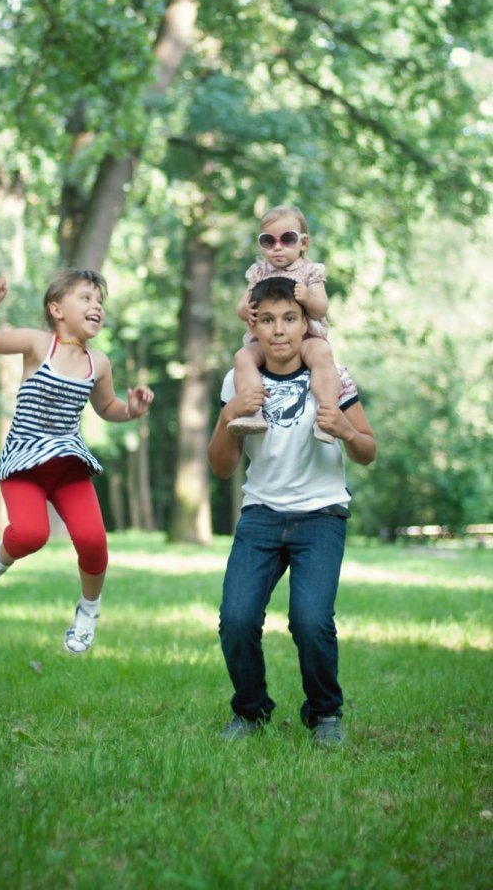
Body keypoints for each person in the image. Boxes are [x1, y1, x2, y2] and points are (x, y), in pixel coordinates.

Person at [208, 275, 376, 746]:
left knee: (310, 620)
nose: (279, 330)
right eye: (267, 320)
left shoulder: (333, 374)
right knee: (236, 619)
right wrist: (227, 416)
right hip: (261, 515)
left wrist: (345, 430)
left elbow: (367, 450)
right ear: (253, 327)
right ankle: (250, 712)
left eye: (289, 318)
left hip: (321, 516)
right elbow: (222, 467)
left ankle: (325, 715)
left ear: (306, 324)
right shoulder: (238, 380)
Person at [0, 269, 154, 654]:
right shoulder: (38, 344)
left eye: (99, 300)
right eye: (85, 297)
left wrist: (132, 410)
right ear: (56, 308)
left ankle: (88, 610)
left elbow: (107, 407)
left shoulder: (98, 362)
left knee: (94, 541)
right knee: (31, 535)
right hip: (23, 462)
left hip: (67, 464)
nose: (96, 305)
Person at [228, 204, 340, 443]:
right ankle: (252, 413)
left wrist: (308, 298)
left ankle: (327, 416)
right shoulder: (259, 272)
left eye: (287, 239)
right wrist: (245, 310)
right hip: (267, 341)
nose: (277, 247)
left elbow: (321, 307)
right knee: (243, 357)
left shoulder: (310, 271)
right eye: (268, 241)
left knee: (322, 353)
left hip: (305, 338)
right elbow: (241, 306)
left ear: (303, 243)